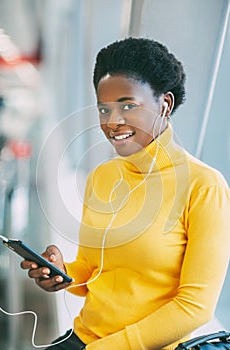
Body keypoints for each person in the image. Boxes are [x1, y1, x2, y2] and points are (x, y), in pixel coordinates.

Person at [21, 37, 230, 350]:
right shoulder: (102, 177)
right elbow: (92, 269)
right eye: (104, 109)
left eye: (128, 105)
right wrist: (63, 273)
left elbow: (195, 307)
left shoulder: (205, 186)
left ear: (165, 104)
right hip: (85, 338)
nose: (113, 122)